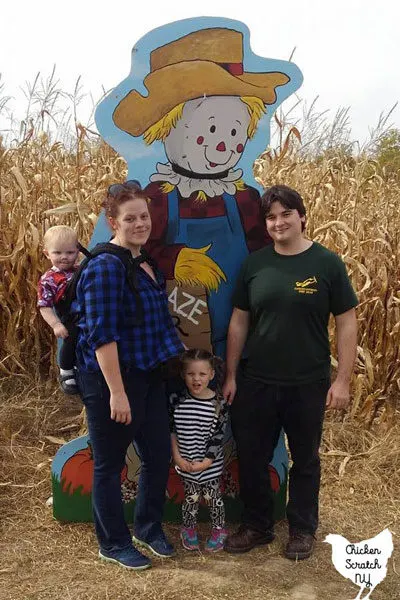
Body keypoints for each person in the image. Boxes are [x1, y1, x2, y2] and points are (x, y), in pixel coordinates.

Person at [223, 185, 358, 560]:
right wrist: (232, 374)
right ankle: (257, 526)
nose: (278, 222)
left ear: (301, 216)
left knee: (306, 459)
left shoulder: (327, 263)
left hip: (307, 382)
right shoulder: (255, 265)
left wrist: (342, 379)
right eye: (271, 217)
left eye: (286, 214)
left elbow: (347, 321)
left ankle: (301, 529)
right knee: (252, 456)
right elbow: (238, 322)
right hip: (257, 381)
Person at [74, 181, 184, 571]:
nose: (140, 223)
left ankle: (148, 527)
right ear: (111, 222)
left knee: (156, 456)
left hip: (149, 376)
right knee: (109, 463)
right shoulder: (105, 267)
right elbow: (102, 335)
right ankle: (113, 542)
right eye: (130, 218)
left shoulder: (146, 262)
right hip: (112, 382)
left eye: (144, 216)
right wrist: (116, 393)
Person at [168, 349, 229, 552]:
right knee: (191, 497)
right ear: (183, 375)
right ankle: (188, 528)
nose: (196, 379)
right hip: (185, 461)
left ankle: (219, 529)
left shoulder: (219, 403)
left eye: (202, 374)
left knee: (213, 497)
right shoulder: (176, 400)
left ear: (211, 375)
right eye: (191, 374)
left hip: (209, 464)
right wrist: (177, 457)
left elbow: (218, 436)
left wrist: (207, 461)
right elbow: (172, 431)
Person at [38, 225, 80, 394]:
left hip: (88, 315)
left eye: (70, 253)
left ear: (78, 251)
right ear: (47, 253)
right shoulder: (49, 279)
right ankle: (66, 370)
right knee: (70, 339)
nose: (64, 257)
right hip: (70, 317)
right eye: (58, 253)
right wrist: (56, 324)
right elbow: (44, 306)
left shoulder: (82, 270)